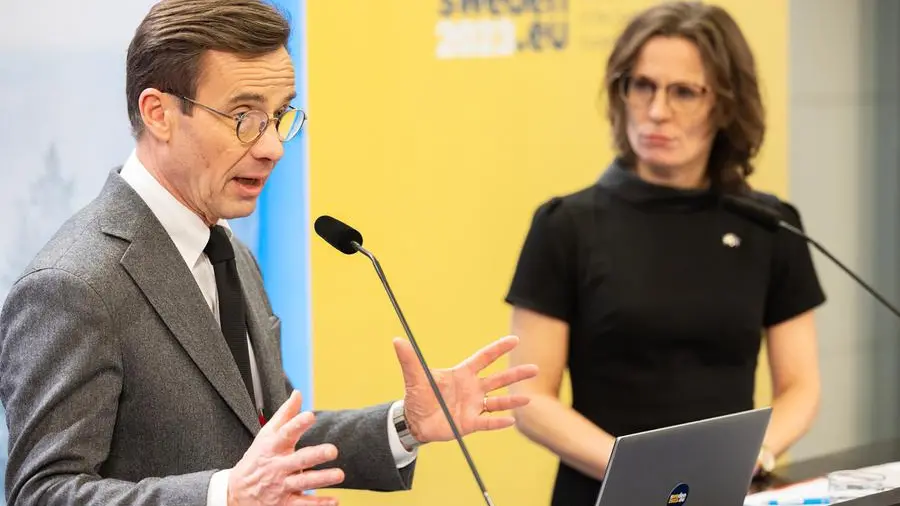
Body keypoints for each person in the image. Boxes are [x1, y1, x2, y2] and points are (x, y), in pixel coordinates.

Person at [0, 1, 539, 505]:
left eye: (280, 115)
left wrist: (404, 425)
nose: (272, 147)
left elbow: (264, 437)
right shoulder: (72, 285)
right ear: (159, 113)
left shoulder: (228, 252)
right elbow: (42, 491)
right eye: (243, 117)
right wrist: (223, 494)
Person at [503, 2, 825, 505]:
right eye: (642, 86)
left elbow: (800, 386)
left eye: (684, 92)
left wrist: (758, 454)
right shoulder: (565, 225)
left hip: (725, 491)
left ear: (726, 105)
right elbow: (529, 398)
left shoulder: (769, 225)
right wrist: (644, 474)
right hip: (604, 490)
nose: (657, 111)